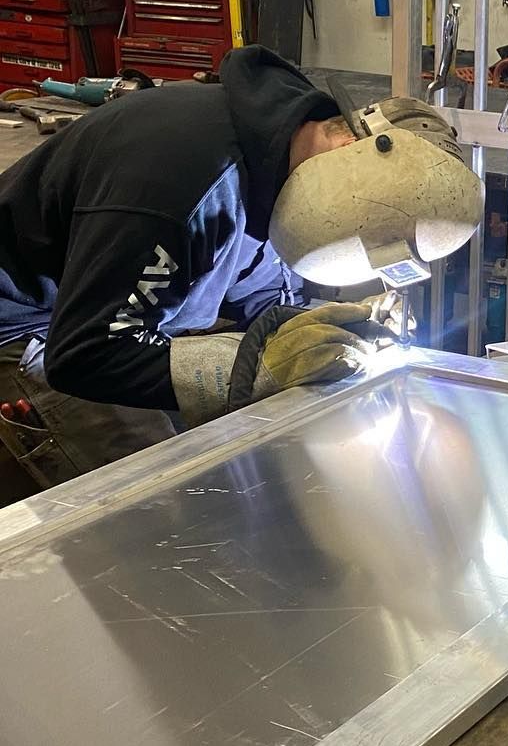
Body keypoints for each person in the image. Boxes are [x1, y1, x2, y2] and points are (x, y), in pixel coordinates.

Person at [0, 47, 481, 502]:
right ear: (355, 151)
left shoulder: (282, 163)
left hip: (116, 319)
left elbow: (260, 297)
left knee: (250, 462)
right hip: (29, 329)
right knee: (169, 501)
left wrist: (323, 327)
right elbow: (87, 352)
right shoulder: (184, 181)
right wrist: (253, 370)